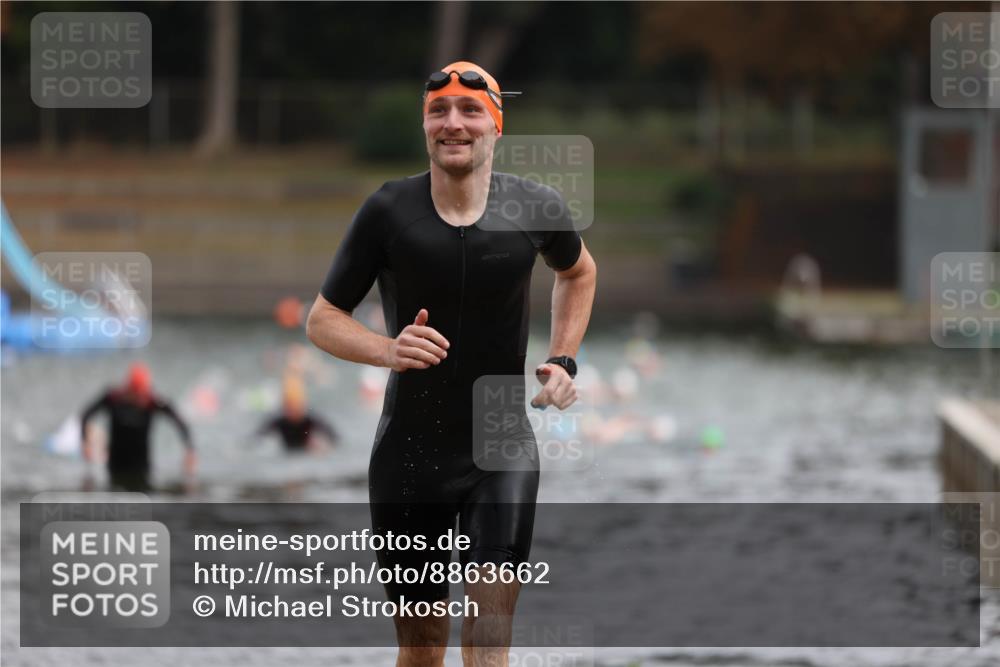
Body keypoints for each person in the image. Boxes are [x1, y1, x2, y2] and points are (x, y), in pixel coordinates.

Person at [306, 61, 596, 667]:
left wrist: (563, 357)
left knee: (489, 636)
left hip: (500, 440)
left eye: (470, 112)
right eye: (439, 112)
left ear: (495, 125)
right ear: (425, 125)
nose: (453, 124)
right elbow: (323, 319)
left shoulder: (534, 205)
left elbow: (578, 272)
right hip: (410, 452)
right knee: (422, 648)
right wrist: (387, 350)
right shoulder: (388, 211)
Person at [80, 362, 196, 492]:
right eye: (138, 395)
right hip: (116, 463)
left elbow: (180, 422)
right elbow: (85, 415)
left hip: (141, 465)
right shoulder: (113, 398)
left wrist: (190, 450)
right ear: (129, 388)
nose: (141, 399)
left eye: (143, 394)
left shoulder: (153, 402)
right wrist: (85, 443)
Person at [255, 375, 338, 452]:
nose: (292, 410)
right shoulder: (279, 421)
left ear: (302, 405)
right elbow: (258, 436)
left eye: (295, 406)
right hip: (288, 453)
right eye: (288, 406)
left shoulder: (310, 419)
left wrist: (325, 447)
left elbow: (334, 437)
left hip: (306, 452)